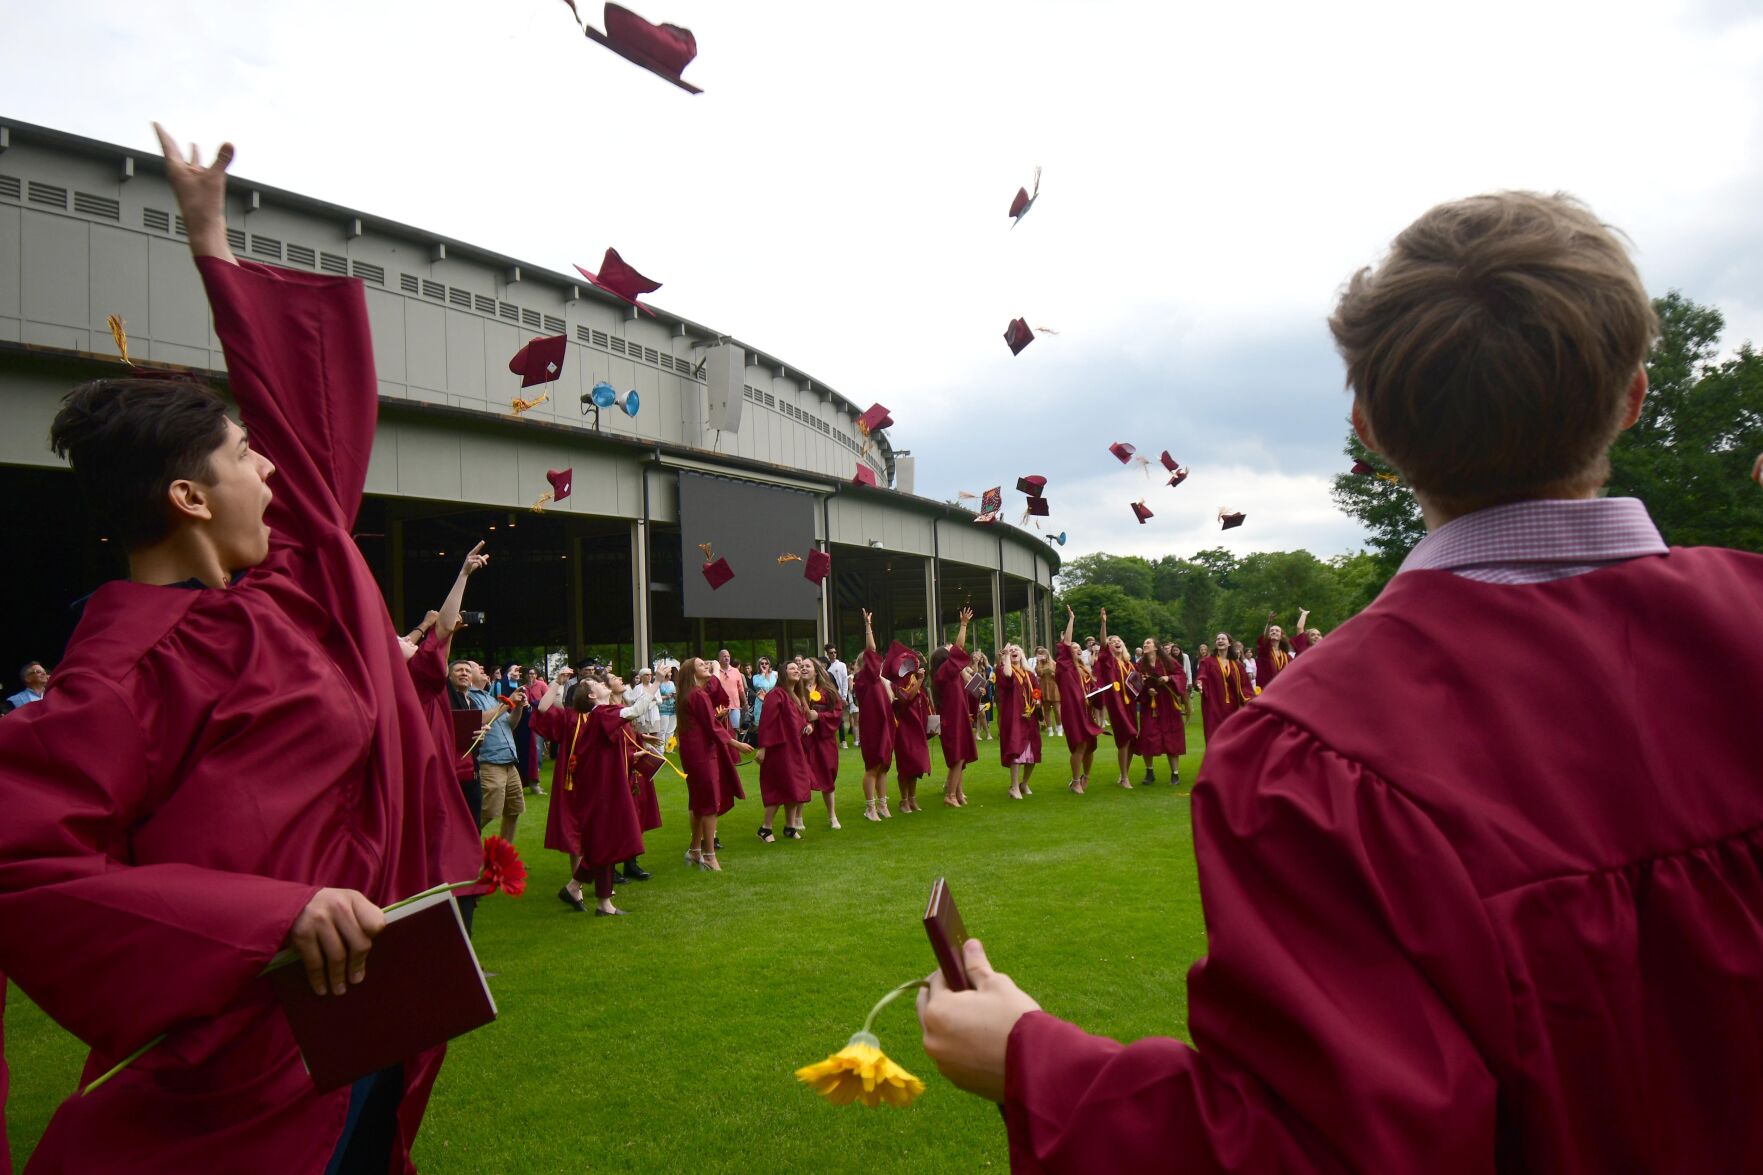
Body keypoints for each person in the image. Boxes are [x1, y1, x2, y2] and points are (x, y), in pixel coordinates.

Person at [915, 189, 1763, 1170]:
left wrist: (1033, 1061)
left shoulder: (1312, 758)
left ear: (1365, 429)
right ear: (1630, 397)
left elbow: (1319, 1148)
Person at [0, 124, 479, 1172]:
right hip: (248, 1055)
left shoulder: (288, 598)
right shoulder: (122, 673)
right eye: (242, 456)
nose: (270, 470)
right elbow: (20, 865)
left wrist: (210, 241)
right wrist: (271, 913)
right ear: (187, 496)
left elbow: (308, 432)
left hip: (376, 1013)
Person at [532, 672, 644, 916]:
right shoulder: (573, 717)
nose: (603, 684)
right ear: (588, 695)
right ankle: (583, 889)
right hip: (576, 785)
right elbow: (542, 710)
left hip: (598, 783)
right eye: (597, 684)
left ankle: (578, 887)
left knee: (598, 839)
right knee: (581, 835)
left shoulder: (598, 716)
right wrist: (557, 683)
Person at [676, 657, 752, 871]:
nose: (707, 667)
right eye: (702, 665)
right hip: (701, 753)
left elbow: (707, 717)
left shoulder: (689, 694)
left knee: (699, 800)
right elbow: (711, 726)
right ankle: (709, 855)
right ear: (692, 673)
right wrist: (736, 743)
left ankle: (695, 850)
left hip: (693, 751)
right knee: (709, 802)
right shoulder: (697, 695)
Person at [755, 658, 814, 842]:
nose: (797, 670)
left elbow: (799, 719)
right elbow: (767, 723)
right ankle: (765, 828)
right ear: (783, 673)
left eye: (798, 668)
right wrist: (762, 748)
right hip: (780, 749)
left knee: (795, 786)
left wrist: (808, 726)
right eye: (792, 668)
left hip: (795, 748)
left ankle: (790, 826)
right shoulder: (776, 695)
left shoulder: (796, 695)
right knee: (779, 786)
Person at [930, 607, 978, 807]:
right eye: (949, 653)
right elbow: (959, 648)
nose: (954, 653)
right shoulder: (944, 672)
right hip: (952, 722)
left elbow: (966, 690)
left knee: (961, 757)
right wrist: (964, 624)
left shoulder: (952, 674)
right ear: (945, 660)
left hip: (958, 718)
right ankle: (949, 796)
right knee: (957, 758)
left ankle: (958, 793)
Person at [1090, 611, 1141, 789]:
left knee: (1133, 738)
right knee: (1124, 738)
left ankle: (1123, 774)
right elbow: (1102, 644)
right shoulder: (1108, 661)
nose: (1116, 642)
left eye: (1118, 640)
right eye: (1113, 642)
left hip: (1130, 705)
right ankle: (1125, 778)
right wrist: (1103, 624)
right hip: (1117, 704)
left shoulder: (1130, 664)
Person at [1053, 607, 1102, 792]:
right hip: (1072, 710)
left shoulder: (1085, 670)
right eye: (1074, 648)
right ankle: (1075, 781)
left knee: (1090, 746)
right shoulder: (1064, 667)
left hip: (1087, 710)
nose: (1077, 650)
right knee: (1080, 744)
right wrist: (1072, 619)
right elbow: (1065, 643)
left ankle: (1085, 777)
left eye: (1079, 648)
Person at [853, 610, 896, 821]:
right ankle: (870, 807)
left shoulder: (877, 681)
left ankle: (882, 803)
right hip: (872, 727)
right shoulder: (864, 679)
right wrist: (868, 625)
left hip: (884, 724)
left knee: (883, 767)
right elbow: (871, 649)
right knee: (872, 766)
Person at [1135, 638, 1188, 786]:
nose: (1145, 645)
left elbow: (1181, 676)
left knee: (1171, 736)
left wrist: (1168, 678)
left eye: (1148, 643)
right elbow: (1134, 682)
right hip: (1150, 706)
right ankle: (1149, 772)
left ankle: (1175, 774)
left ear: (1156, 647)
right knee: (1147, 736)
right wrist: (1146, 690)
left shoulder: (1168, 662)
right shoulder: (1140, 664)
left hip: (1168, 705)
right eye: (1144, 643)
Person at [993, 644, 1041, 800]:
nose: (1013, 652)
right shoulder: (1002, 671)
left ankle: (1024, 783)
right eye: (1011, 650)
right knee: (1016, 749)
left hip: (1029, 716)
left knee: (1033, 751)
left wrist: (1037, 699)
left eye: (1016, 650)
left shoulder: (1029, 674)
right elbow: (1007, 675)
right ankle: (1014, 787)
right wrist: (1006, 656)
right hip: (1013, 716)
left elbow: (1036, 690)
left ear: (1022, 654)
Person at [889, 646, 932, 814]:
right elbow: (906, 699)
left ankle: (913, 798)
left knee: (916, 764)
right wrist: (920, 680)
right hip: (903, 727)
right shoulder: (896, 682)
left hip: (917, 726)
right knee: (906, 764)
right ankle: (904, 800)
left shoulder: (914, 679)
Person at [1195, 633, 1251, 743]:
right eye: (1218, 639)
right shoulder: (1207, 662)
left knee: (1232, 739)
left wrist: (1249, 699)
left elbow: (1245, 685)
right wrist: (1200, 683)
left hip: (1232, 706)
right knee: (1214, 737)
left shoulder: (1237, 665)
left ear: (1229, 643)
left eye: (1223, 639)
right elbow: (1202, 675)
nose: (1220, 640)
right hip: (1213, 705)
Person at [808, 660, 845, 828]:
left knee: (827, 775)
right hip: (804, 739)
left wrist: (819, 717)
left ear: (816, 671)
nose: (803, 669)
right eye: (801, 667)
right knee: (802, 776)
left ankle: (832, 816)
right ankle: (797, 818)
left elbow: (837, 714)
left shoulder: (828, 691)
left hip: (824, 739)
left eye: (807, 666)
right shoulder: (795, 690)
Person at [1255, 612, 1298, 692]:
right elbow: (1264, 639)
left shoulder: (1287, 656)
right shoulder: (1264, 651)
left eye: (1277, 631)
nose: (1274, 632)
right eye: (1271, 631)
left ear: (1281, 636)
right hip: (1266, 689)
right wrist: (1269, 623)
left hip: (1283, 690)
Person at [825, 643, 852, 749]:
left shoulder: (841, 665)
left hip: (839, 695)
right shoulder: (827, 667)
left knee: (840, 718)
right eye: (831, 653)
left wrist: (844, 696)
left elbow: (845, 680)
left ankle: (843, 740)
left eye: (835, 652)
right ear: (827, 654)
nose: (834, 654)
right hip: (829, 695)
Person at [714, 649, 745, 735]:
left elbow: (741, 689)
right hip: (720, 706)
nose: (726, 658)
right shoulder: (715, 672)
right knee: (721, 729)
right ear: (719, 659)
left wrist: (745, 703)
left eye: (728, 656)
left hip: (735, 705)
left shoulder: (736, 671)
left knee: (735, 729)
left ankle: (735, 748)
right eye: (724, 656)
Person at [1034, 646, 1061, 738]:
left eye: (1043, 654)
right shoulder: (1039, 664)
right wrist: (1039, 662)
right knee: (1046, 710)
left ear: (1047, 654)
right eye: (1039, 654)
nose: (1041, 656)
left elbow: (1058, 676)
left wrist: (1052, 672)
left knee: (1057, 710)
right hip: (1044, 688)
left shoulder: (1054, 664)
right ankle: (1050, 729)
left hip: (1054, 688)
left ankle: (1059, 728)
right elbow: (1039, 674)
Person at [749, 655, 777, 733]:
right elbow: (761, 686)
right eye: (762, 663)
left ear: (769, 664)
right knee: (761, 727)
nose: (764, 665)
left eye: (766, 663)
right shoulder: (756, 677)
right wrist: (763, 675)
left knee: (773, 726)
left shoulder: (775, 674)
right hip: (760, 704)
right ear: (759, 665)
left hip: (773, 703)